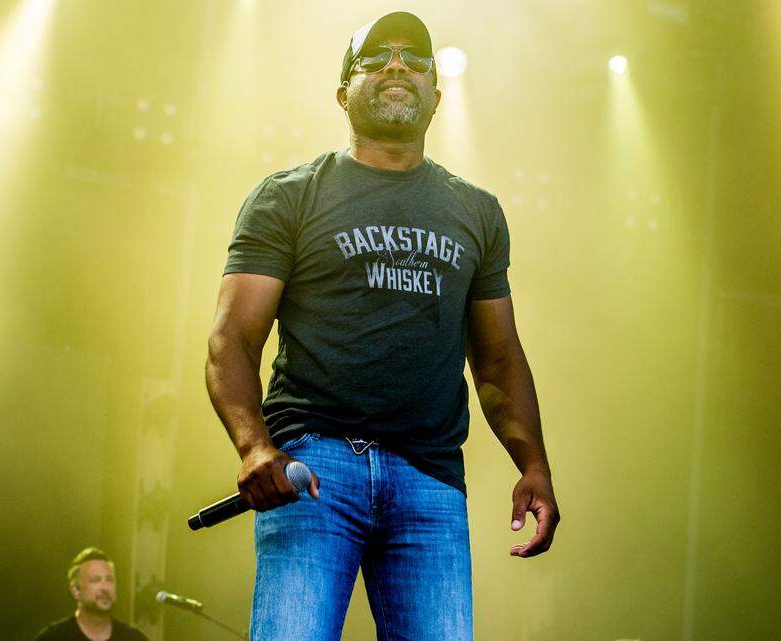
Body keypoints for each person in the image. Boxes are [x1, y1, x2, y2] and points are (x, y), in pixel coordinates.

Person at [204, 10, 560, 641]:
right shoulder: (290, 196)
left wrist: (533, 464)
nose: (398, 65)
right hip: (313, 469)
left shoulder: (477, 212)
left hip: (431, 479)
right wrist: (254, 447)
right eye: (377, 57)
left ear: (436, 95)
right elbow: (232, 337)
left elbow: (499, 359)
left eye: (415, 58)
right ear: (345, 92)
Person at [35, 547, 148, 641]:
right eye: (96, 580)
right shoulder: (54, 638)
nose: (105, 588)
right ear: (75, 590)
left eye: (109, 580)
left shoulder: (133, 638)